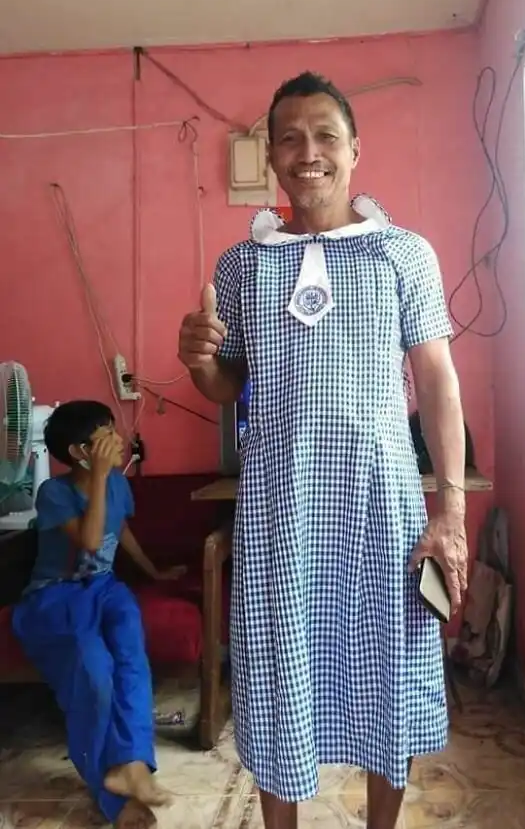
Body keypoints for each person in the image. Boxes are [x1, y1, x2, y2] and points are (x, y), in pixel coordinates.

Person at [177, 72, 468, 829]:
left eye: (325, 136)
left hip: (382, 506)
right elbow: (228, 382)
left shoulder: (404, 254)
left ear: (355, 150)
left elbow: (437, 379)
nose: (308, 152)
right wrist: (199, 361)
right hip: (279, 507)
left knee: (389, 672)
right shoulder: (242, 265)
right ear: (272, 156)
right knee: (279, 676)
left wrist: (450, 510)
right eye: (290, 138)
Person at [12, 401, 186, 829]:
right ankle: (111, 798)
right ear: (80, 452)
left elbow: (119, 530)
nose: (117, 439)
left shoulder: (118, 485)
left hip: (105, 588)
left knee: (131, 657)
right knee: (95, 674)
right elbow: (91, 541)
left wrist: (153, 572)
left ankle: (134, 765)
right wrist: (100, 477)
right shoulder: (53, 492)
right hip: (58, 595)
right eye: (105, 435)